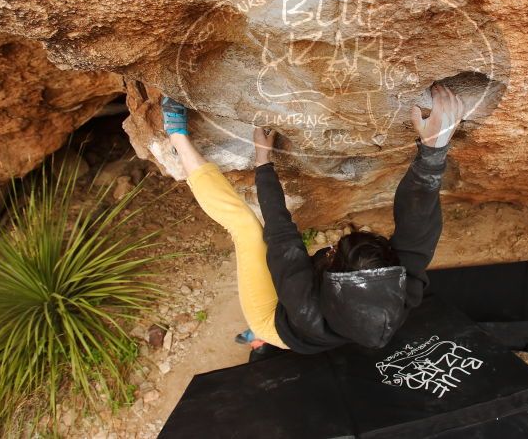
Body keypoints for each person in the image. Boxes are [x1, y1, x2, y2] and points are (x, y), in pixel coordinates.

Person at [162, 83, 463, 354]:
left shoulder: (303, 301)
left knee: (245, 228)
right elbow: (417, 225)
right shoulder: (402, 289)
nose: (331, 246)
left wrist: (263, 163)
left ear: (331, 274)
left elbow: (281, 236)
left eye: (333, 251)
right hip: (332, 322)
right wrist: (433, 152)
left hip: (277, 322)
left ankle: (176, 135)